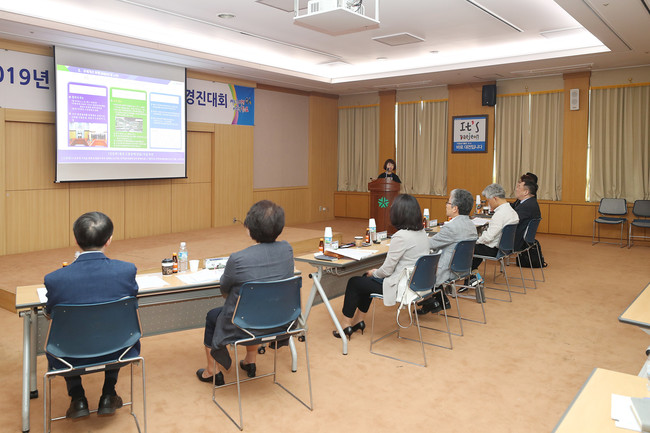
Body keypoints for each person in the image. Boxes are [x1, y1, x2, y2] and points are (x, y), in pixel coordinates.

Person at [44, 211, 139, 419]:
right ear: (109, 240)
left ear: (76, 240)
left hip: (69, 353)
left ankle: (77, 398)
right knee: (113, 329)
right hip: (120, 348)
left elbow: (50, 312)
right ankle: (109, 393)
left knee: (68, 337)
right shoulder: (126, 271)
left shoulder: (55, 279)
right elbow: (132, 300)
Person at [197, 200, 294, 385]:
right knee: (257, 308)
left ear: (250, 227)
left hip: (244, 324)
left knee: (213, 316)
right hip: (280, 320)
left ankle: (212, 371)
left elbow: (224, 289)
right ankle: (250, 361)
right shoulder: (287, 250)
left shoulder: (238, 259)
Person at [333, 194, 429, 338]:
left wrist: (374, 272)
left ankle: (345, 325)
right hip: (417, 284)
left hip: (401, 287)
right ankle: (359, 321)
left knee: (354, 282)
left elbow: (387, 270)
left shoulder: (401, 236)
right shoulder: (422, 233)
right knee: (365, 281)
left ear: (399, 213)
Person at [417, 189, 478, 314]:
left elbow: (427, 244)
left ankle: (430, 299)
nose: (446, 205)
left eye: (448, 202)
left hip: (447, 270)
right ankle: (439, 300)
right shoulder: (471, 225)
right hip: (463, 268)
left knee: (416, 262)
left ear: (455, 208)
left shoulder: (451, 227)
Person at [472, 183, 519, 270]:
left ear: (495, 198)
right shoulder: (512, 212)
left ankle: (466, 272)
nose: (489, 203)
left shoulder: (500, 214)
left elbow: (488, 238)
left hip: (494, 249)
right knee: (476, 245)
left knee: (465, 247)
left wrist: (475, 241)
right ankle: (472, 271)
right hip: (505, 248)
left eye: (488, 200)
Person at [512, 179, 541, 251]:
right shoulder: (530, 202)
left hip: (515, 241)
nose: (516, 189)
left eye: (519, 187)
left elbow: (511, 222)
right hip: (521, 239)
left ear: (526, 192)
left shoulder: (526, 206)